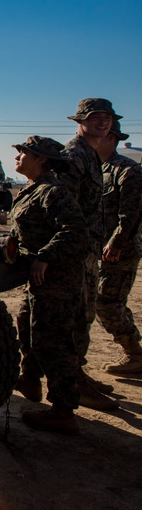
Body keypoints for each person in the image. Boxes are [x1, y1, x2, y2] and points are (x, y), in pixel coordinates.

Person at [6, 136, 87, 434]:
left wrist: (46, 257)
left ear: (41, 159)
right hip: (37, 279)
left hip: (56, 279)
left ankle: (64, 411)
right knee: (26, 324)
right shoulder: (33, 190)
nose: (17, 156)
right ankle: (30, 380)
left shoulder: (53, 192)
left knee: (53, 341)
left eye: (23, 152)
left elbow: (76, 230)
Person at [62, 98, 120, 410]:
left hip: (88, 249)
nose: (102, 122)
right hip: (76, 250)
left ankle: (78, 376)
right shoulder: (75, 155)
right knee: (76, 317)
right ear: (80, 121)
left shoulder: (91, 154)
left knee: (85, 315)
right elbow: (65, 207)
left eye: (107, 118)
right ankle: (72, 383)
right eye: (95, 117)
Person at [95, 120, 142, 374]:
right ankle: (134, 351)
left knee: (107, 302)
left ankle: (134, 354)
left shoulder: (127, 169)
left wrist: (117, 242)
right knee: (109, 301)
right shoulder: (96, 169)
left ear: (111, 137)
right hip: (100, 249)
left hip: (120, 250)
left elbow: (132, 213)